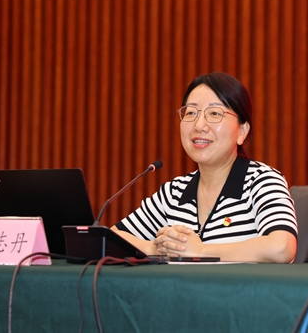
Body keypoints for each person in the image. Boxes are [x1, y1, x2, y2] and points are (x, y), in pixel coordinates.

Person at [111, 72, 297, 263]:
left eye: (215, 113)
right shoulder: (174, 192)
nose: (199, 125)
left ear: (242, 131)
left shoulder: (261, 180)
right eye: (191, 113)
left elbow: (282, 248)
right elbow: (112, 239)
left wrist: (200, 251)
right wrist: (160, 249)